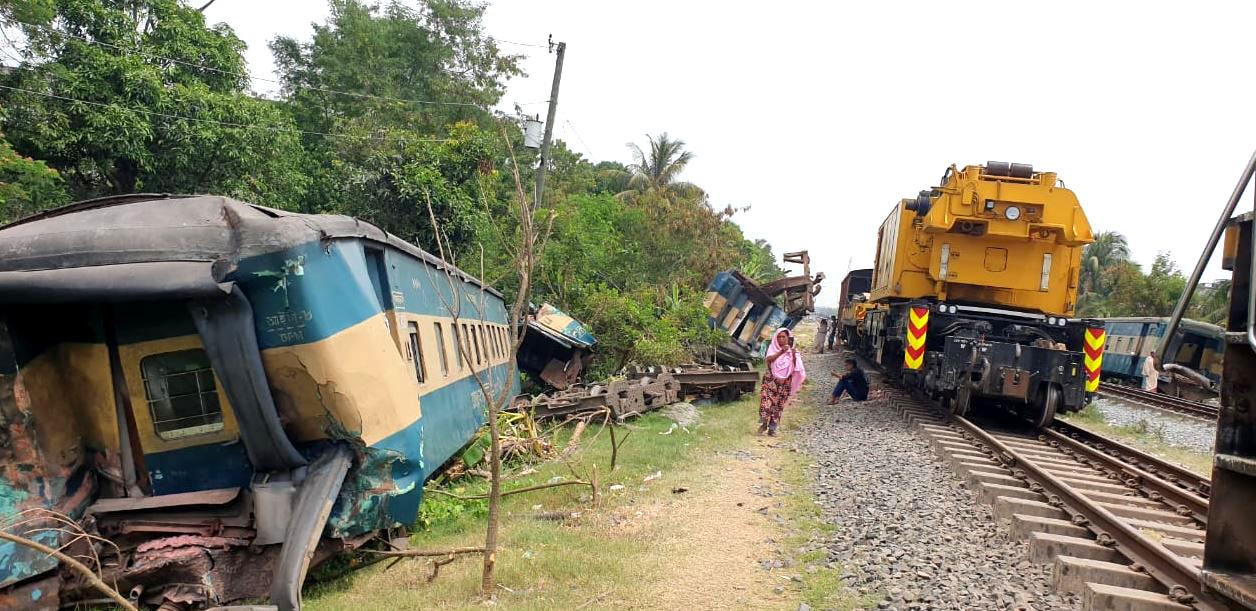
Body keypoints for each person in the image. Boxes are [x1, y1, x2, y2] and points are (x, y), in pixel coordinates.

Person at [760, 328, 806, 436]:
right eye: (779, 337)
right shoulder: (772, 348)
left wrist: (793, 354)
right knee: (766, 402)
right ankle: (763, 423)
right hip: (770, 380)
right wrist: (782, 351)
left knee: (778, 405)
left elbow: (796, 367)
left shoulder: (793, 351)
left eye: (783, 337)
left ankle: (772, 428)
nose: (781, 339)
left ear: (788, 338)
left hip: (784, 382)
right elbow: (769, 359)